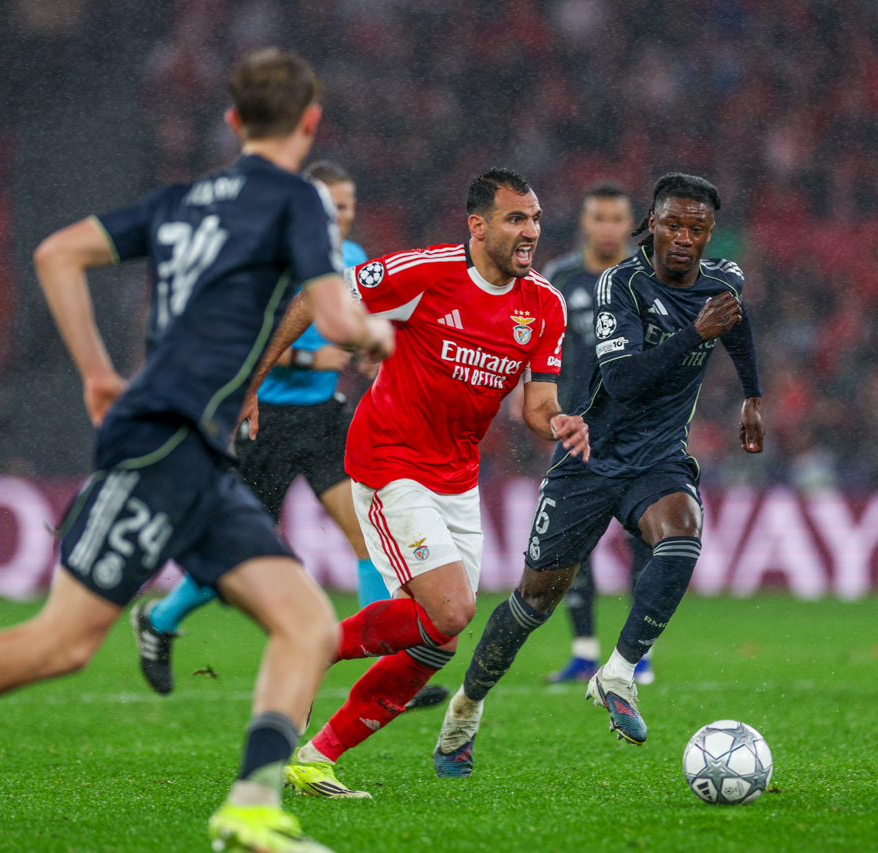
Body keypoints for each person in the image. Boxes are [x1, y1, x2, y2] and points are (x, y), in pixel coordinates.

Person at [0, 48, 392, 853]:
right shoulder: (300, 203)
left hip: (195, 451)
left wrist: (94, 373)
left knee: (307, 623)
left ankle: (251, 808)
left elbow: (57, 253)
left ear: (232, 121)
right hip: (162, 446)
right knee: (61, 643)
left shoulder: (183, 201)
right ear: (312, 120)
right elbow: (337, 314)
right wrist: (374, 333)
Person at [242, 168, 587, 798]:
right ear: (478, 225)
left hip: (457, 476)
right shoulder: (423, 274)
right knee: (452, 609)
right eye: (516, 219)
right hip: (388, 460)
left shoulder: (544, 305)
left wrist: (560, 421)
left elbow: (538, 404)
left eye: (535, 218)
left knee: (439, 638)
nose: (531, 231)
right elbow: (320, 297)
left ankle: (316, 757)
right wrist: (253, 380)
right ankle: (311, 644)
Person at [433, 172, 764, 777]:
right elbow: (625, 381)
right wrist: (696, 332)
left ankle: (618, 672)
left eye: (698, 229)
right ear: (652, 226)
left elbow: (735, 322)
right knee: (534, 601)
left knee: (682, 536)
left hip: (658, 457)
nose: (685, 238)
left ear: (710, 234)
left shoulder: (725, 279)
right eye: (673, 226)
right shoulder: (621, 285)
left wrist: (753, 395)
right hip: (589, 454)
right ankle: (465, 709)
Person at [131, 160, 452, 709]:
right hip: (265, 423)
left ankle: (380, 665)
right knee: (242, 556)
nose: (340, 219)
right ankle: (159, 619)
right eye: (328, 208)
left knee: (367, 539)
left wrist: (374, 348)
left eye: (347, 207)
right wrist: (309, 354)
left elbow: (364, 326)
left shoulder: (352, 263)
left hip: (325, 417)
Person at [539, 183, 656, 686]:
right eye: (599, 218)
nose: (608, 227)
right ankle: (584, 652)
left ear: (629, 224)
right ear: (585, 223)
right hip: (577, 430)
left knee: (643, 540)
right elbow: (539, 351)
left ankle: (638, 655)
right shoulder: (559, 279)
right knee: (571, 544)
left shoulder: (647, 278)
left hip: (638, 431)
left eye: (616, 218)